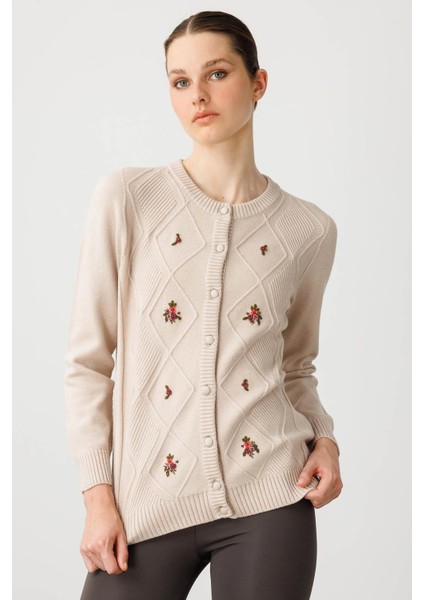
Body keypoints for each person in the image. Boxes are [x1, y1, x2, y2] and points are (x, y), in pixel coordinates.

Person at [64, 10, 343, 600]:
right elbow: (87, 362)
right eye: (180, 81)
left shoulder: (309, 230)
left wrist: (325, 438)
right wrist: (97, 496)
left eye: (217, 73)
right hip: (145, 504)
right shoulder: (128, 199)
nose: (198, 95)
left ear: (258, 82)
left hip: (271, 497)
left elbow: (295, 367)